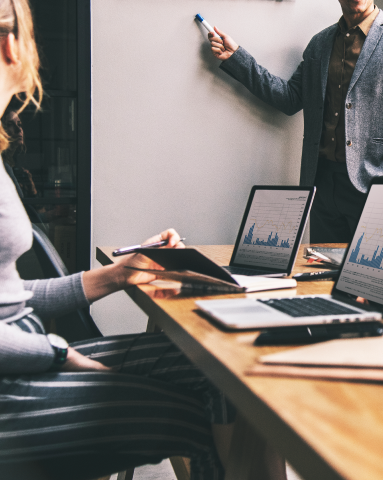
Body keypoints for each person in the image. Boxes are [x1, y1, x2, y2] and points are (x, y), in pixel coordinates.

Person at [0, 1, 287, 478]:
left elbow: (7, 300)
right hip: (14, 388)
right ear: (12, 46)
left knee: (222, 367)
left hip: (26, 360)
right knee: (194, 411)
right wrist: (67, 358)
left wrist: (119, 274)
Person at [208, 0, 383, 243]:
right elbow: (290, 98)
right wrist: (238, 59)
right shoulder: (319, 44)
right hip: (321, 185)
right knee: (323, 277)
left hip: (374, 184)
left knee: (373, 277)